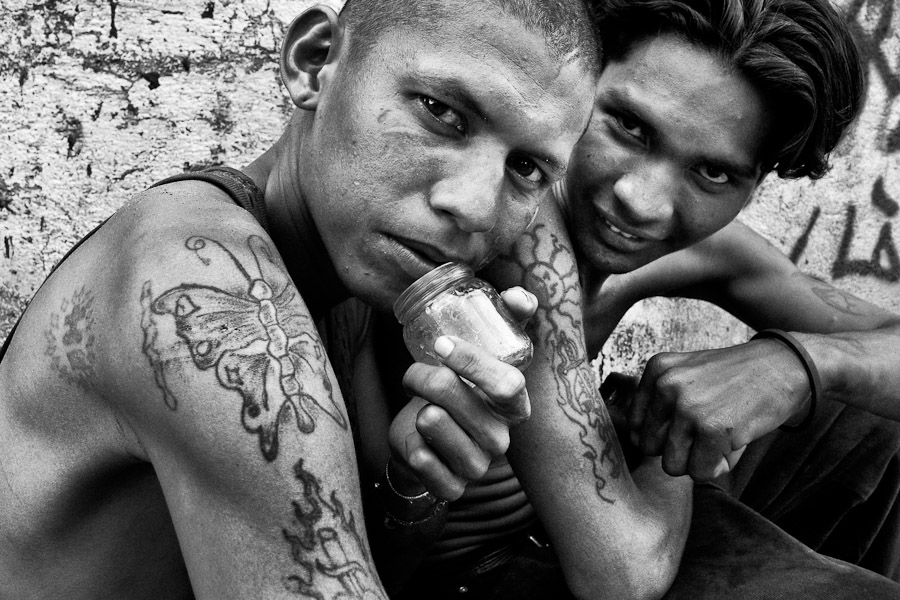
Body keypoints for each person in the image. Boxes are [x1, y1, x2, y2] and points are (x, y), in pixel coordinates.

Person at [0, 1, 604, 598]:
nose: (473, 206)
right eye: (441, 112)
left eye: (525, 167)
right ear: (314, 62)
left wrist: (415, 480)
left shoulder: (348, 283)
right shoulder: (208, 278)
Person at [347, 0, 900, 597]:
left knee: (866, 419)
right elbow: (619, 578)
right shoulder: (522, 237)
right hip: (477, 576)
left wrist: (799, 365)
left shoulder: (703, 250)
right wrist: (669, 453)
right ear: (583, 79)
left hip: (572, 533)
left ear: (756, 181)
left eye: (712, 173)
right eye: (629, 127)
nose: (642, 199)